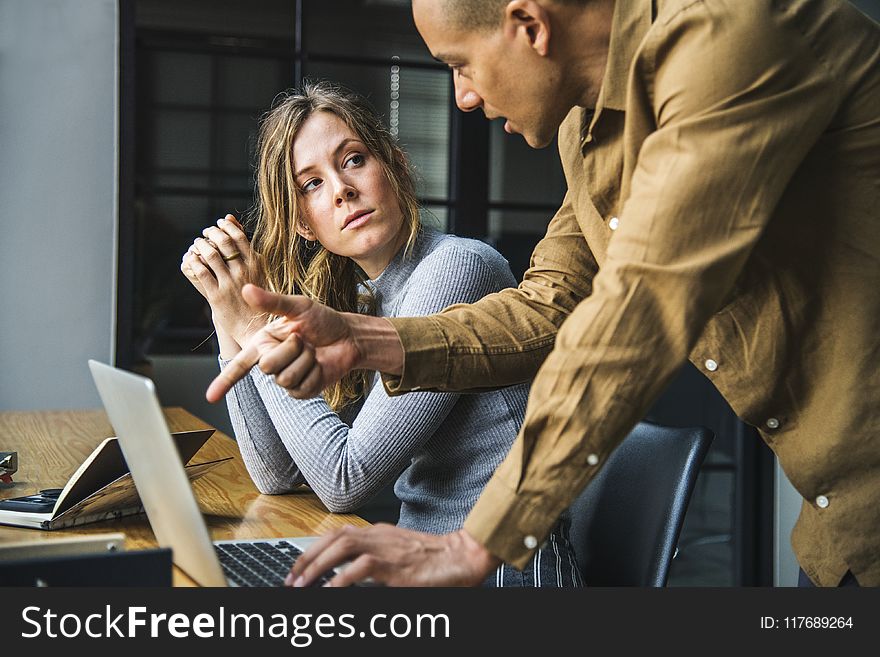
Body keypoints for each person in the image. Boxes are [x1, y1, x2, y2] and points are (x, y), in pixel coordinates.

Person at [208, 0, 880, 588]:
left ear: (528, 24)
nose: (464, 96)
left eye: (459, 63)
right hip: (836, 528)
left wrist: (480, 541)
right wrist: (361, 339)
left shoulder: (725, 42)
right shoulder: (585, 130)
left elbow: (639, 308)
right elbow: (548, 305)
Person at [182, 81, 582, 587]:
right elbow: (277, 476)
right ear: (305, 225)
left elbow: (343, 480)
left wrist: (255, 327)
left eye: (352, 160)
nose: (342, 190)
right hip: (421, 566)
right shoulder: (367, 296)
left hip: (502, 576)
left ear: (393, 165)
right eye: (311, 184)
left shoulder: (455, 268)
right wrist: (228, 317)